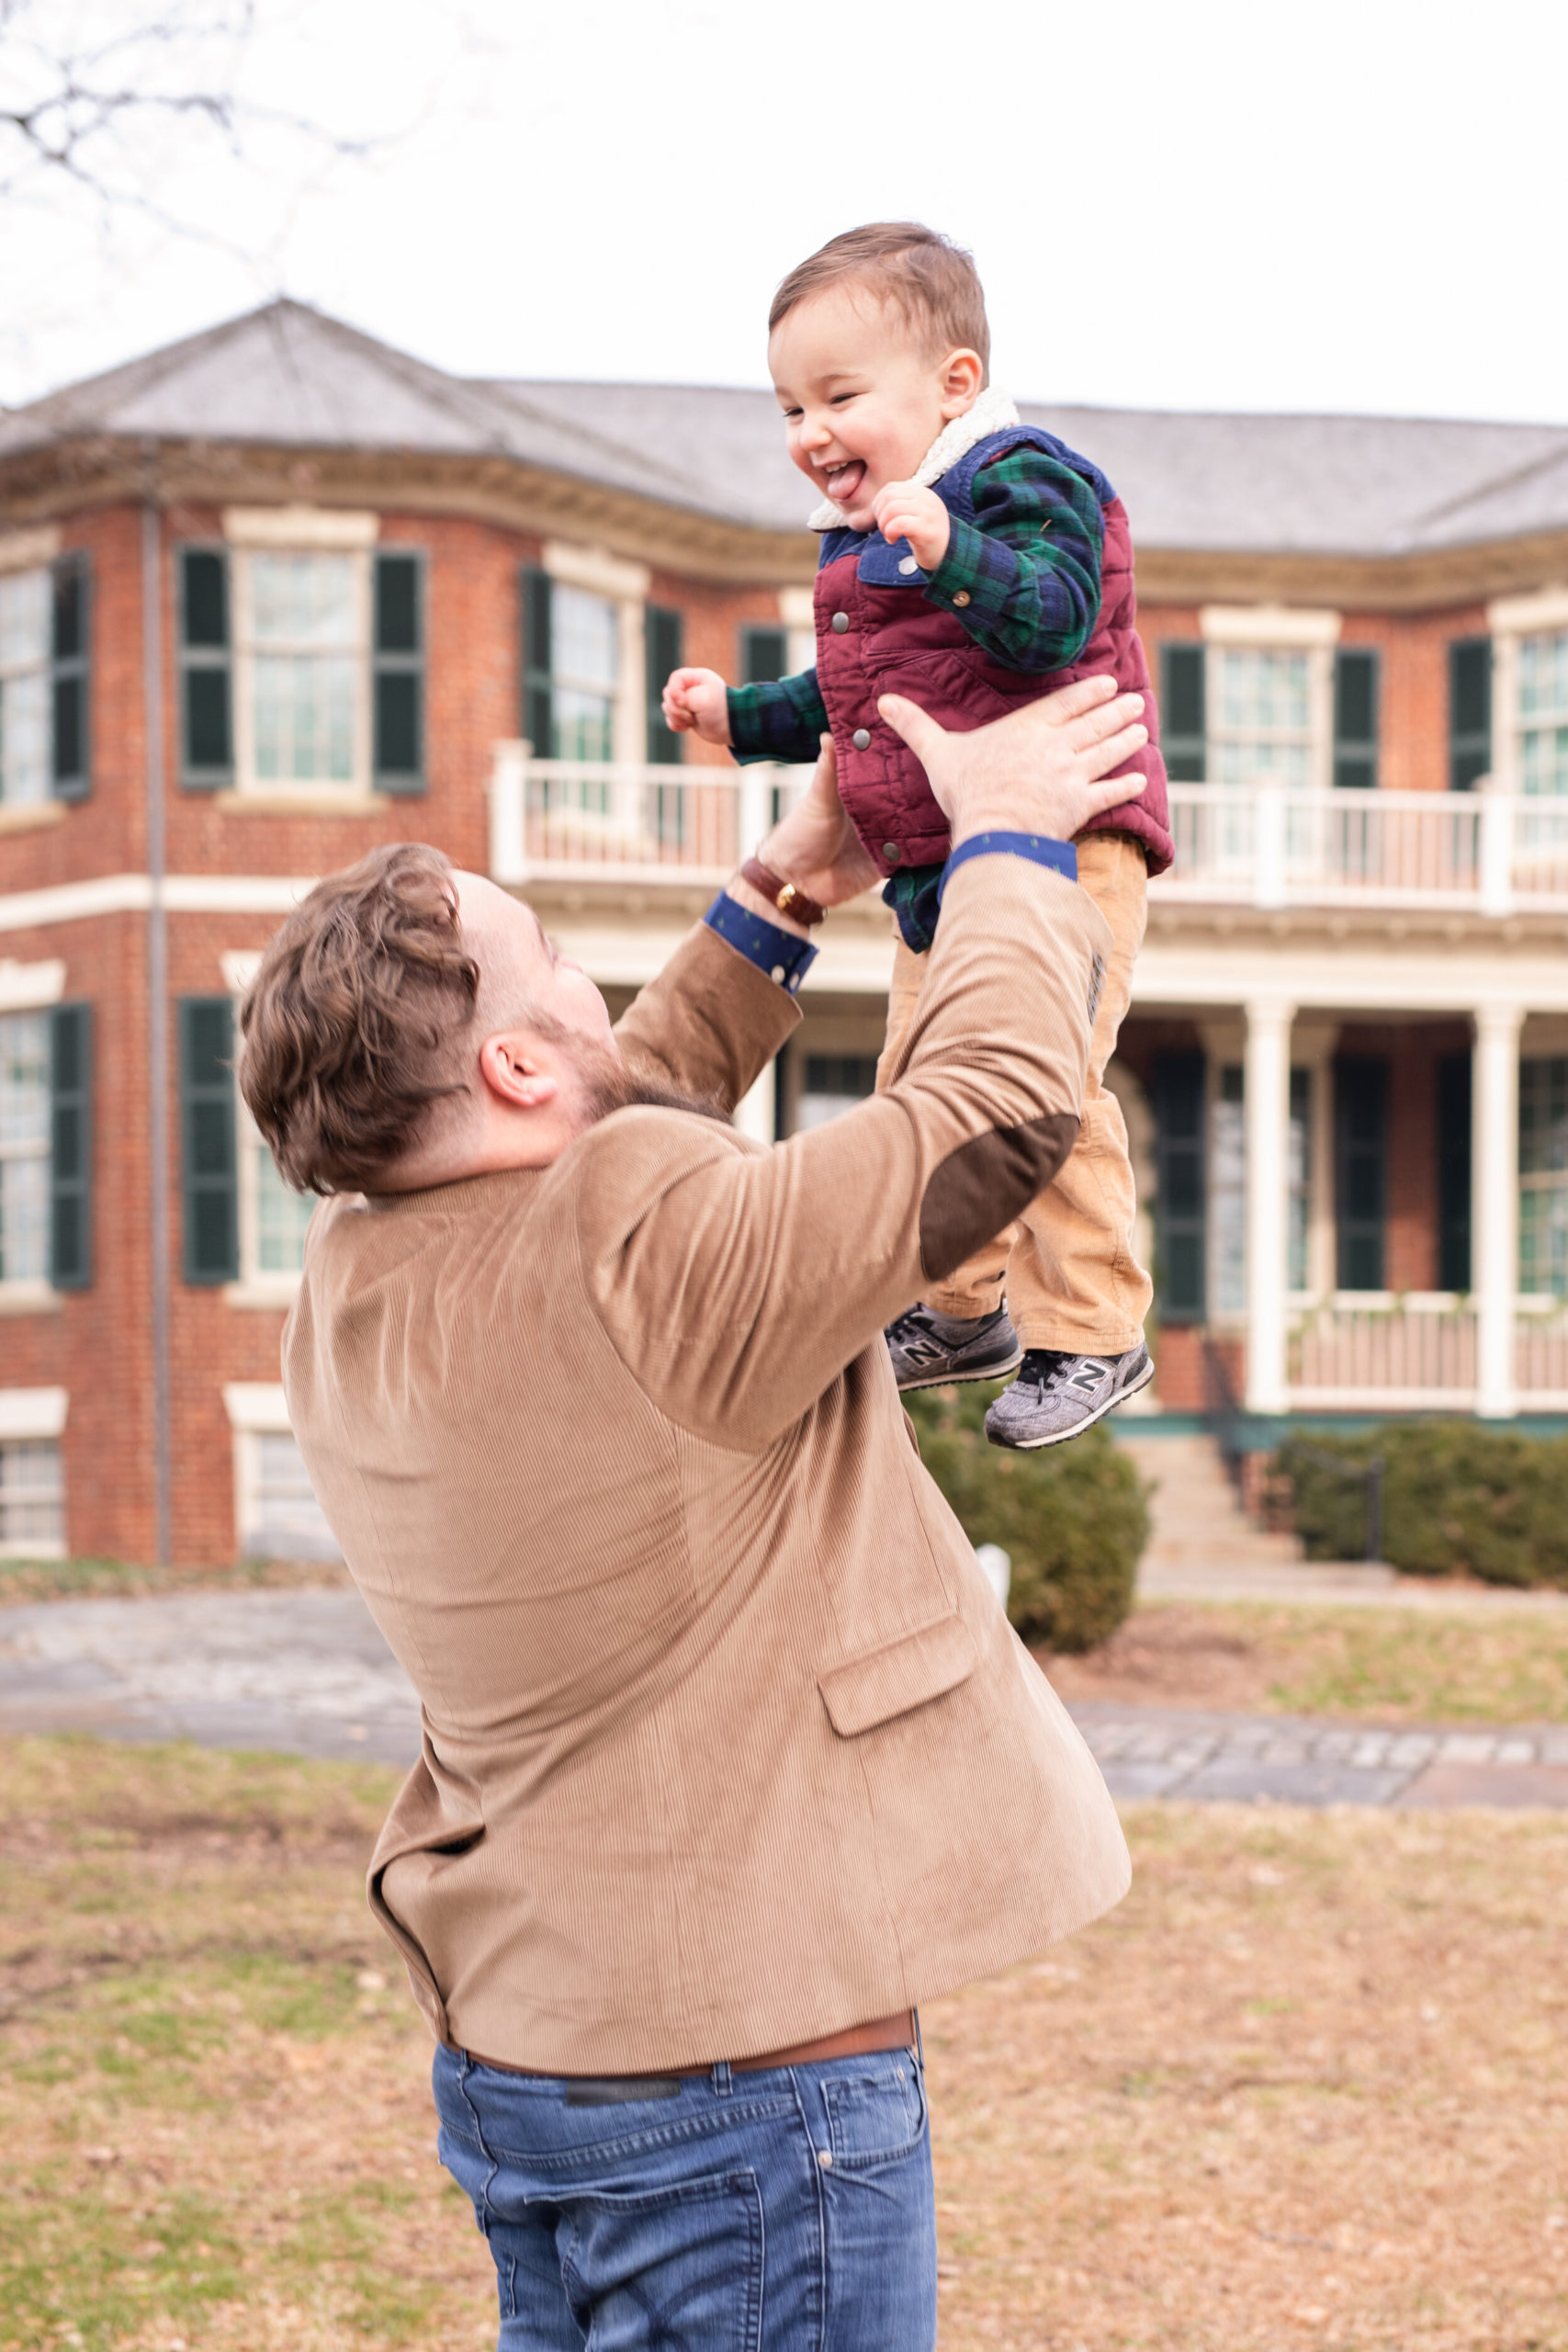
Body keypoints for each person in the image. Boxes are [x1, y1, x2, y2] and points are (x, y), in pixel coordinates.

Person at [241, 677, 1147, 2352]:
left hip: (537, 2057)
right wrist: (1019, 835)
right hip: (741, 2108)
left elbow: (588, 1124)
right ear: (515, 1057)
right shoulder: (638, 1252)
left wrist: (790, 887)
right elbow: (990, 1114)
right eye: (560, 974)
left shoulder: (357, 1287)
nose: (596, 997)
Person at [663, 220, 1173, 1450]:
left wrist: (954, 553)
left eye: (839, 396)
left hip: (1067, 843)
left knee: (1043, 1081)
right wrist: (744, 717)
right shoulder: (867, 543)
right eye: (788, 408)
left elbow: (1052, 620)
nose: (809, 434)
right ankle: (959, 1311)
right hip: (936, 872)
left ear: (952, 384)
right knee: (928, 1088)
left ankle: (1095, 1325)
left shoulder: (1022, 479)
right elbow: (859, 703)